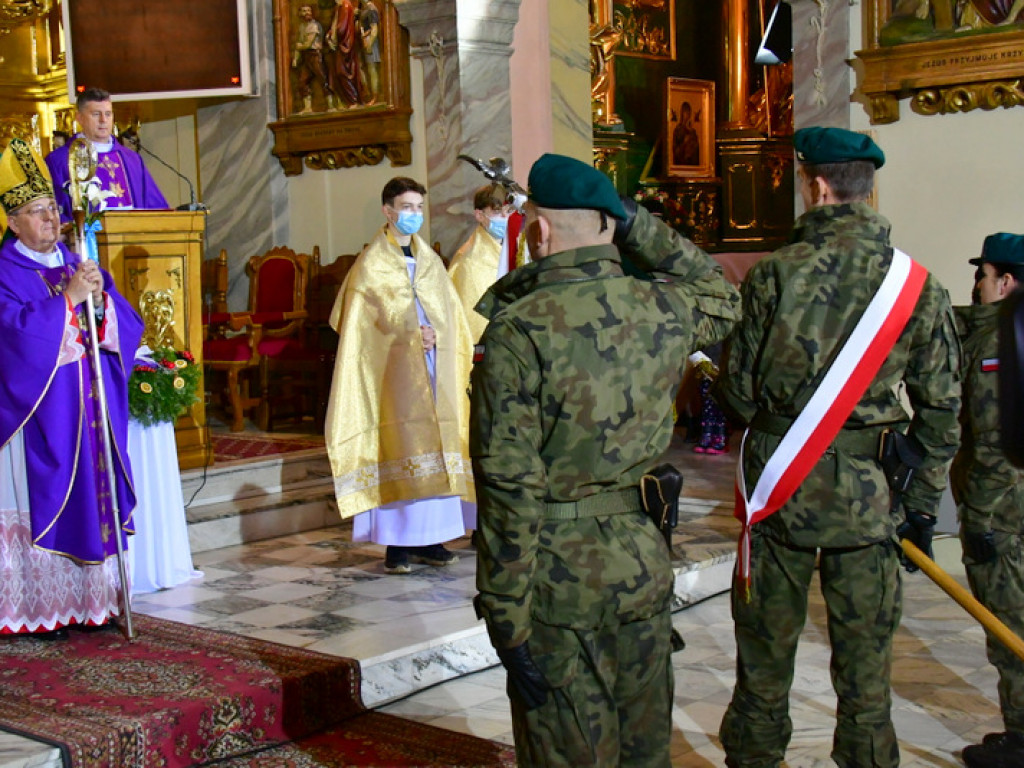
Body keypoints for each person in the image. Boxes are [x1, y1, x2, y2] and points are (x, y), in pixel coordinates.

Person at [470, 153, 741, 766]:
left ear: (537, 232)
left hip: (557, 582)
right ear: (611, 225)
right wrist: (635, 225)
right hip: (642, 562)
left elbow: (509, 484)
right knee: (645, 751)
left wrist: (506, 612)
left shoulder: (519, 330)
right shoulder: (665, 308)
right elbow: (723, 294)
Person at [714, 126, 961, 767]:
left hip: (780, 491)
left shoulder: (770, 276)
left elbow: (738, 391)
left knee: (763, 664)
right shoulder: (919, 286)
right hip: (869, 496)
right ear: (865, 189)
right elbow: (941, 412)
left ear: (815, 184)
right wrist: (923, 506)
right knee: (867, 671)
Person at [0, 138, 144, 636]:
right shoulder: (5, 271)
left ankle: (90, 605)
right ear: (12, 221)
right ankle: (40, 613)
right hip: (39, 414)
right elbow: (12, 336)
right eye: (36, 212)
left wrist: (101, 304)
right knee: (48, 493)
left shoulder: (75, 259)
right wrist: (66, 300)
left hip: (87, 406)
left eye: (51, 210)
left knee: (93, 493)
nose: (48, 220)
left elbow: (124, 323)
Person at [324, 176, 474, 574]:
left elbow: (451, 313)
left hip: (433, 366)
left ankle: (434, 539)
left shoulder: (429, 261)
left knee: (437, 449)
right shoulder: (373, 263)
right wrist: (410, 334)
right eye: (407, 207)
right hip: (394, 373)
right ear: (388, 211)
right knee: (400, 445)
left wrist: (436, 334)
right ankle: (398, 547)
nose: (414, 215)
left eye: (419, 208)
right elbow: (359, 322)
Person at [952, 232, 1024, 768]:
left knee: (1010, 627)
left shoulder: (1000, 344)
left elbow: (996, 442)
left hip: (1003, 514)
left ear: (1007, 282)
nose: (975, 285)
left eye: (983, 275)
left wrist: (977, 517)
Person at [46, 87, 169, 225]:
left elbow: (157, 210)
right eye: (96, 114)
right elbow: (53, 213)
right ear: (79, 118)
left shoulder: (131, 159)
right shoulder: (60, 160)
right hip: (88, 243)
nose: (103, 120)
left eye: (108, 114)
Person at [447, 183, 514, 342]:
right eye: (497, 211)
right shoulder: (468, 261)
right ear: (479, 215)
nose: (505, 217)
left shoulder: (518, 247)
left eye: (509, 211)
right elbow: (471, 321)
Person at [292, 4, 337, 114]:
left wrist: (300, 47)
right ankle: (308, 108)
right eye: (304, 11)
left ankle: (331, 105)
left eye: (308, 10)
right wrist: (295, 59)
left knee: (323, 80)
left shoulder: (314, 26)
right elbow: (299, 43)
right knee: (302, 82)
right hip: (306, 57)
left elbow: (307, 44)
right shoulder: (302, 27)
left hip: (315, 56)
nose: (307, 13)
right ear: (299, 13)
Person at [326, 0, 363, 108]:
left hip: (345, 44)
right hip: (338, 46)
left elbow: (342, 28)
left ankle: (353, 100)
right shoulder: (338, 7)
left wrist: (333, 37)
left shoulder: (346, 6)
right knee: (337, 73)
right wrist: (328, 37)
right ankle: (347, 100)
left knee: (342, 72)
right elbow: (333, 24)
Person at [358, 0, 381, 103]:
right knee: (361, 66)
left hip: (370, 40)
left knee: (372, 69)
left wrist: (370, 43)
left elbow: (374, 28)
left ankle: (375, 96)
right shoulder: (363, 9)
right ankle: (366, 91)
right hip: (364, 40)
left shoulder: (371, 10)